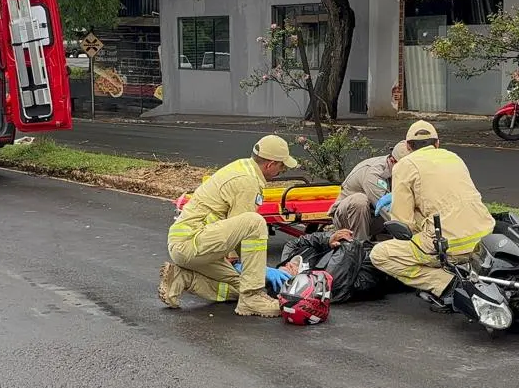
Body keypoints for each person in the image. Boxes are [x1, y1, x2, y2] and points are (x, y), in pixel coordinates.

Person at [159, 135, 299, 318]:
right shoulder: (248, 182)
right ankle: (252, 298)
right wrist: (257, 269)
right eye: (282, 166)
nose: (283, 170)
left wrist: (253, 274)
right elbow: (245, 232)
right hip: (191, 243)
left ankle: (182, 278)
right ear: (270, 164)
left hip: (192, 245)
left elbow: (235, 231)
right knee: (255, 222)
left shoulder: (244, 167)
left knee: (241, 286)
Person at [369, 121, 495, 312]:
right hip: (484, 239)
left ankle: (446, 284)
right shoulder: (453, 158)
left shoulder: (405, 166)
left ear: (408, 146)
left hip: (449, 245)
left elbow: (403, 223)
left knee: (380, 255)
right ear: (437, 143)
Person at [277, 228, 405, 305]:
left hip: (378, 249)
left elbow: (295, 242)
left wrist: (328, 239)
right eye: (287, 273)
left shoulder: (290, 255)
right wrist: (338, 239)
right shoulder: (323, 286)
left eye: (281, 268)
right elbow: (351, 246)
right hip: (390, 266)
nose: (286, 265)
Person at [328, 140, 413, 241]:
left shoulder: (400, 171)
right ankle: (360, 244)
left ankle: (380, 237)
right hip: (346, 218)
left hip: (372, 217)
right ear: (392, 161)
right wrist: (410, 234)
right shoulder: (373, 174)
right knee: (359, 200)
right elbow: (386, 210)